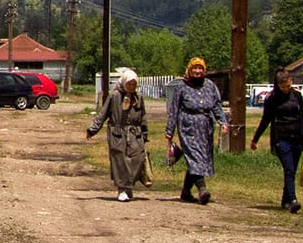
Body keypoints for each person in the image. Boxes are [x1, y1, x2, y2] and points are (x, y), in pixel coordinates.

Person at [164, 57, 228, 204]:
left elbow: (216, 106)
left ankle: (186, 192)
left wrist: (223, 122)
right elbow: (174, 110)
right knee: (194, 156)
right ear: (189, 70)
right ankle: (202, 189)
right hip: (188, 127)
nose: (197, 71)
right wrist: (169, 130)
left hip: (205, 128)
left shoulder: (210, 86)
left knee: (198, 158)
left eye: (200, 68)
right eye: (195, 68)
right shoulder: (182, 86)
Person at [251, 69, 303, 213]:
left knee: (291, 171)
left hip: (297, 138)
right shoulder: (271, 99)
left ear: (291, 82)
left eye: (288, 86)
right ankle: (293, 200)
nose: (285, 89)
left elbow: (301, 118)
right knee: (289, 169)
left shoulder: (297, 96)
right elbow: (266, 120)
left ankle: (285, 200)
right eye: (282, 86)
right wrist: (255, 139)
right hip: (281, 138)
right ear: (277, 85)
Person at [86, 67, 150, 201]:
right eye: (129, 84)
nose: (131, 87)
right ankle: (122, 189)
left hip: (135, 134)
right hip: (118, 133)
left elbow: (143, 116)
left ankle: (128, 186)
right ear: (124, 83)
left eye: (134, 84)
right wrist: (93, 129)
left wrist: (145, 133)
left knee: (137, 160)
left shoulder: (138, 97)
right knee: (120, 162)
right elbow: (103, 114)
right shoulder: (115, 96)